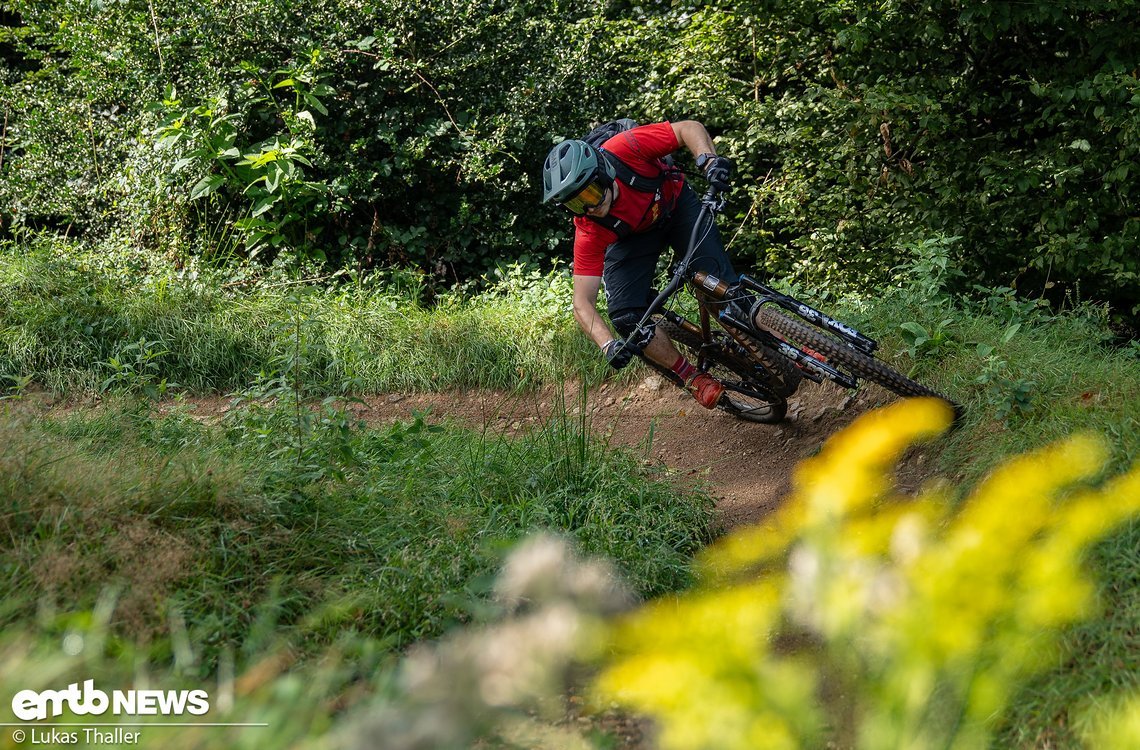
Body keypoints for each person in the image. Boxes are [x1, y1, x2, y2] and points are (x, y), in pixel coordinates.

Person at [541, 119, 738, 409]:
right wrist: (607, 344)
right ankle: (692, 377)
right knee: (625, 317)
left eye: (591, 194)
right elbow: (582, 302)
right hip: (634, 237)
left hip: (675, 204)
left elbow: (688, 129)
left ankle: (785, 343)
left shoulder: (625, 148)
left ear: (603, 172)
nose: (589, 208)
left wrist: (708, 161)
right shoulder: (589, 226)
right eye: (576, 204)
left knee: (723, 290)